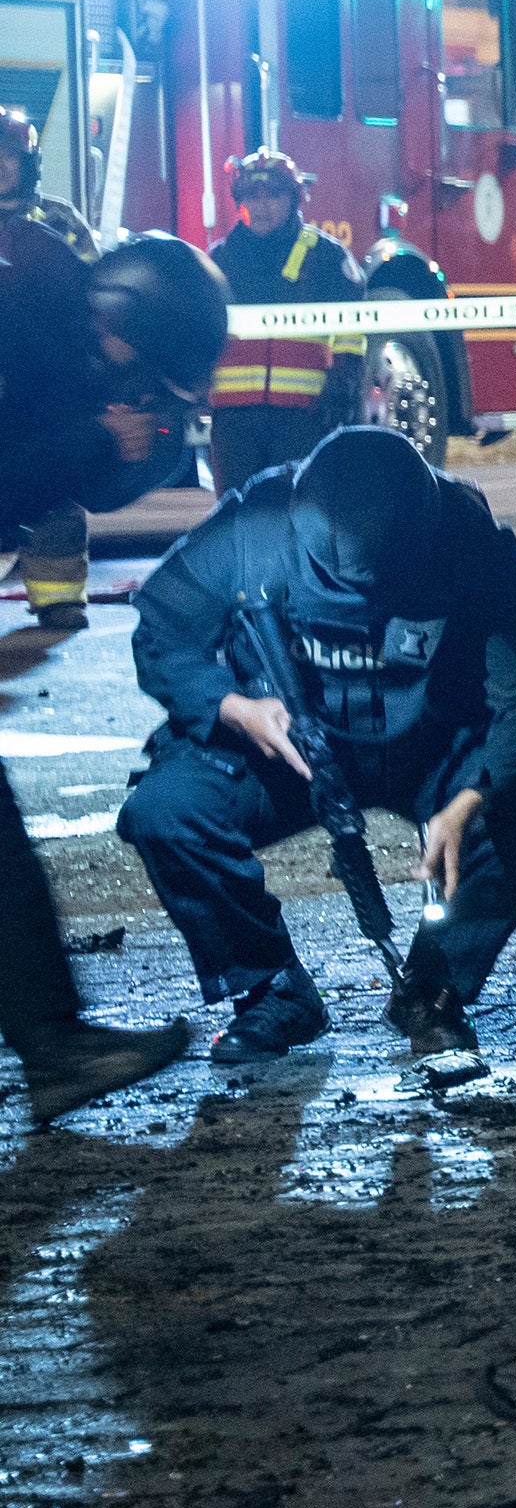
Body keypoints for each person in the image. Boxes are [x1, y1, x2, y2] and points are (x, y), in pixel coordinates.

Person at [117, 427, 516, 1062]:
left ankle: (432, 991)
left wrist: (472, 796)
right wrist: (232, 707)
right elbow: (163, 630)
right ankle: (273, 992)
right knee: (166, 812)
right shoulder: (253, 527)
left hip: (427, 746)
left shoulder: (466, 536)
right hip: (288, 747)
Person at [0, 234, 225, 1118]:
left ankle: (56, 1045)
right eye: (140, 370)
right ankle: (56, 1049)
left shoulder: (49, 317)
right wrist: (90, 438)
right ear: (121, 322)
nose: (133, 391)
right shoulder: (27, 323)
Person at [206, 150, 364, 488]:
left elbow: (351, 330)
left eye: (273, 195)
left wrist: (343, 385)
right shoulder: (218, 259)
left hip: (303, 416)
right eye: (252, 195)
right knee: (234, 518)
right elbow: (201, 333)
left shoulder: (327, 257)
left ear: (292, 199)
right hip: (234, 420)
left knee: (297, 514)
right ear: (240, 201)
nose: (261, 206)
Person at [0, 110, 101, 630]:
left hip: (46, 388)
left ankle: (59, 596)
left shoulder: (59, 222)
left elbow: (96, 300)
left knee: (52, 489)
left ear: (29, 163)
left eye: (8, 157)